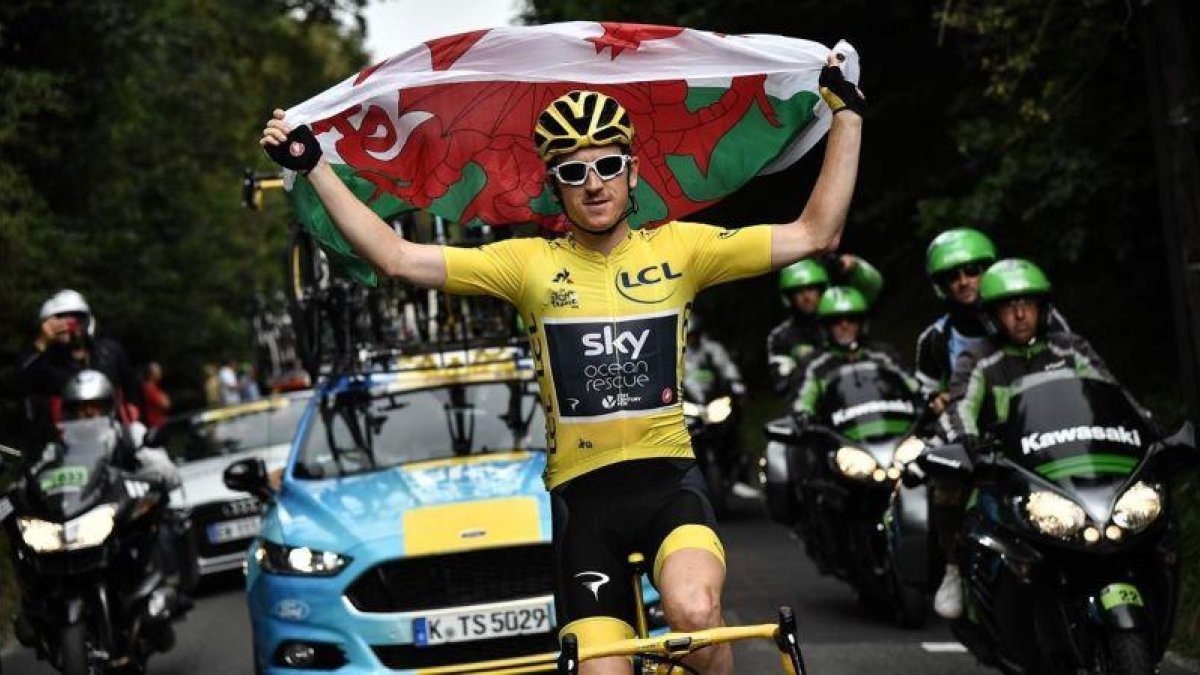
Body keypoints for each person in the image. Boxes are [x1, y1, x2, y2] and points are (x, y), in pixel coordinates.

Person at [261, 51, 863, 674]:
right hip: (585, 506)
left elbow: (817, 233)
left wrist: (847, 118)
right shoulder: (528, 265)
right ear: (555, 187)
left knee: (693, 615)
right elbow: (394, 256)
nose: (594, 183)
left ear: (632, 175)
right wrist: (317, 167)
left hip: (669, 487)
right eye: (574, 173)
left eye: (607, 166)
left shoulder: (684, 249)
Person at [931, 259, 1144, 619]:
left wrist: (1150, 431)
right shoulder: (978, 358)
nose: (1019, 315)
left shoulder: (1070, 349)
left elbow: (1114, 394)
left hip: (1077, 460)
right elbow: (959, 407)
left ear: (1042, 308)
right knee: (947, 484)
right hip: (1009, 467)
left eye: (1026, 304)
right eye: (1008, 307)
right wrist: (966, 444)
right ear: (991, 315)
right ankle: (954, 569)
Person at [915, 228, 1069, 414]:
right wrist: (935, 401)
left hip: (1048, 415)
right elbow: (923, 396)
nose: (964, 282)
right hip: (978, 434)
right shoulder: (935, 338)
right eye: (953, 276)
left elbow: (1073, 361)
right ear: (943, 285)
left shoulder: (1037, 315)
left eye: (972, 271)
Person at [11, 290, 142, 452]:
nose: (67, 324)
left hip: (115, 438)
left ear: (86, 320)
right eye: (59, 319)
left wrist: (132, 412)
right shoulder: (44, 363)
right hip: (66, 446)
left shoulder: (110, 353)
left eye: (74, 317)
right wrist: (42, 343)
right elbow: (18, 383)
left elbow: (132, 386)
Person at [791, 286, 918, 421]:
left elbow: (914, 387)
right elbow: (801, 404)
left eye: (851, 319)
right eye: (836, 320)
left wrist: (930, 399)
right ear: (826, 326)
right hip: (835, 437)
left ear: (862, 323)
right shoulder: (813, 364)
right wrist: (803, 417)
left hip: (891, 427)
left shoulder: (883, 355)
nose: (844, 325)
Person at [768, 255, 882, 396]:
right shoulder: (781, 336)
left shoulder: (842, 314)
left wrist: (856, 268)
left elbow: (873, 286)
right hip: (821, 400)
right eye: (799, 291)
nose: (806, 296)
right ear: (789, 297)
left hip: (866, 386)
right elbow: (783, 383)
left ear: (822, 289)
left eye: (811, 289)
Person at [142, 362, 172, 429]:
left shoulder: (155, 387)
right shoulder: (149, 389)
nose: (161, 373)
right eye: (158, 371)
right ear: (151, 374)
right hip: (157, 427)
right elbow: (165, 404)